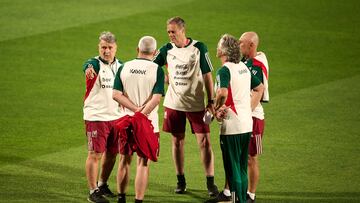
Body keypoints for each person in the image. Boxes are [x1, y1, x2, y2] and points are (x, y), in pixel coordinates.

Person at [153, 16, 219, 196]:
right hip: (174, 104)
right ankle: (180, 180)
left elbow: (207, 75)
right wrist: (165, 79)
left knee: (205, 142)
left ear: (183, 30)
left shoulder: (199, 48)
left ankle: (210, 182)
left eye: (173, 31)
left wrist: (211, 101)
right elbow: (150, 67)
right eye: (168, 32)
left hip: (196, 104)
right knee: (177, 142)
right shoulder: (166, 49)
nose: (170, 35)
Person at [206, 34, 264, 203]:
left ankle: (235, 200)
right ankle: (243, 200)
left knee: (232, 170)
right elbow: (259, 87)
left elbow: (223, 93)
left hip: (232, 127)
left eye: (219, 45)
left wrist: (216, 108)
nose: (216, 48)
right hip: (247, 124)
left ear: (224, 50)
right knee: (241, 167)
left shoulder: (224, 70)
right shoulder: (243, 67)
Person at [112, 36, 165, 203]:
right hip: (148, 124)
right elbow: (156, 98)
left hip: (126, 121)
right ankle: (138, 201)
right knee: (143, 163)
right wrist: (141, 114)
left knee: (124, 160)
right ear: (155, 52)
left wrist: (134, 111)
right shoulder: (157, 69)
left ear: (138, 49)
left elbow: (116, 95)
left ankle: (121, 198)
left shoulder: (124, 67)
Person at [83, 31, 122, 203]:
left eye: (110, 47)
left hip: (116, 117)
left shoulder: (121, 66)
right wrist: (89, 70)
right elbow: (88, 66)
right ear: (99, 47)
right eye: (103, 47)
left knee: (112, 153)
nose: (106, 51)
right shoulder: (94, 63)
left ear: (115, 48)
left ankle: (102, 184)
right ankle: (93, 191)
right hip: (97, 117)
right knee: (95, 154)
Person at [239, 31, 270, 203]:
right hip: (243, 116)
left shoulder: (257, 64)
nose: (238, 44)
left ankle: (251, 194)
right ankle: (232, 191)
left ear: (251, 45)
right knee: (237, 156)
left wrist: (245, 113)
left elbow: (259, 92)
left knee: (251, 157)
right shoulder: (245, 60)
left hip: (254, 117)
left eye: (242, 42)